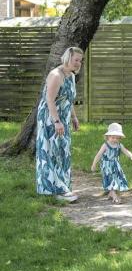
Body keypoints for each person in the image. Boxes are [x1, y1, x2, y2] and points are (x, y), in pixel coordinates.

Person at [35, 46, 84, 202]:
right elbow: (49, 100)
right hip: (50, 118)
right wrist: (56, 121)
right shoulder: (56, 75)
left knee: (63, 152)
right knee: (52, 151)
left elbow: (68, 100)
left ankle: (63, 186)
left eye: (80, 60)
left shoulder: (70, 75)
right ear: (67, 58)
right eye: (76, 60)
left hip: (63, 117)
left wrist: (74, 117)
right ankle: (54, 190)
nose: (78, 63)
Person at [90, 122, 132, 204]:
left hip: (115, 165)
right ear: (108, 137)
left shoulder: (119, 145)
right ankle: (114, 196)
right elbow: (99, 155)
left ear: (120, 138)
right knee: (110, 179)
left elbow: (126, 151)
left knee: (116, 179)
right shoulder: (105, 145)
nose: (115, 139)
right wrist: (94, 164)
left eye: (117, 138)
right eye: (112, 137)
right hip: (106, 165)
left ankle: (111, 193)